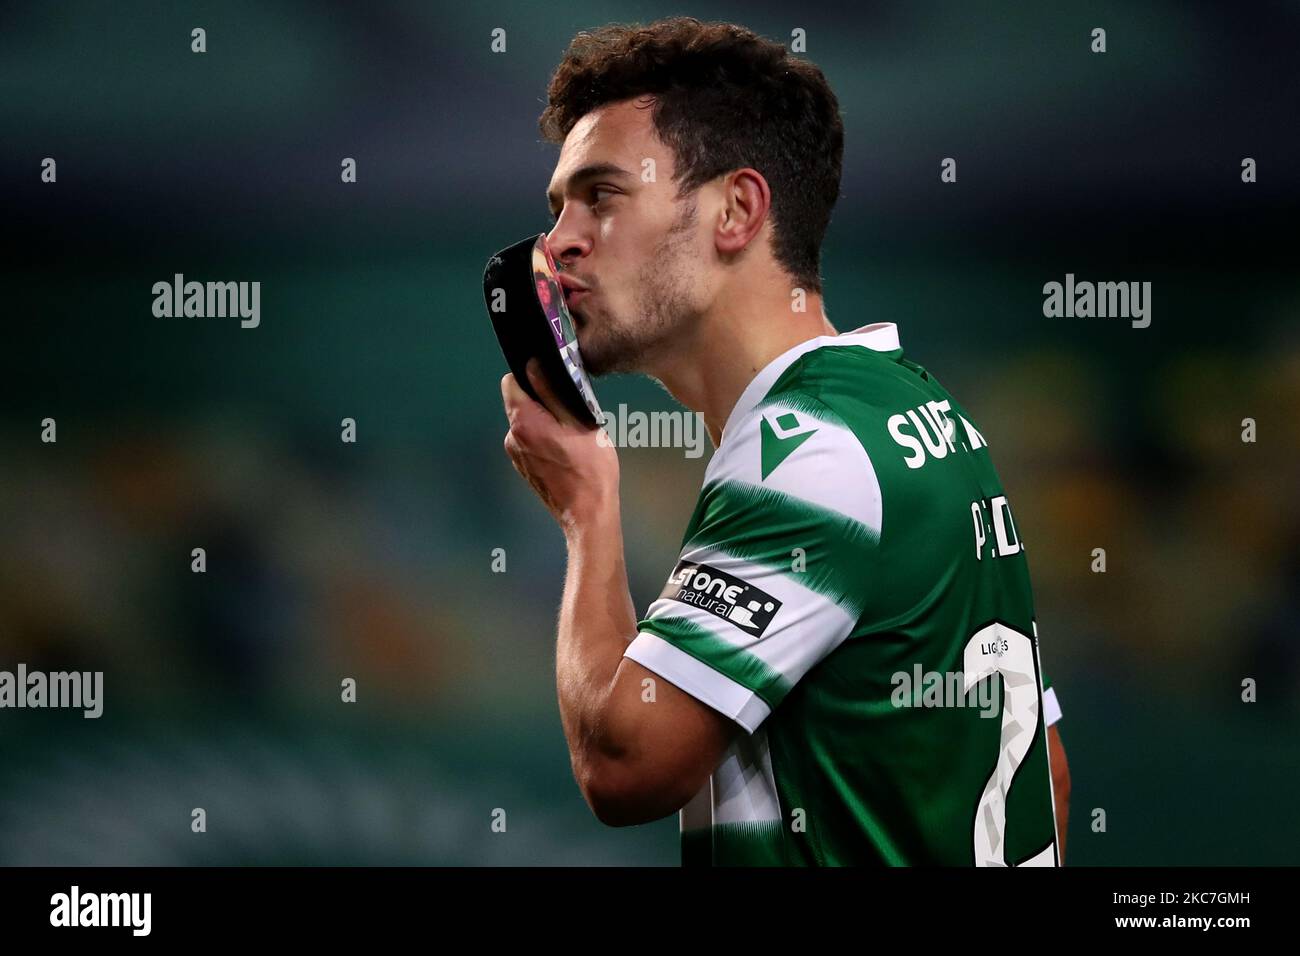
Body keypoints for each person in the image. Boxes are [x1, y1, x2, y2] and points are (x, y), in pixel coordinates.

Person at [500, 16, 1070, 865]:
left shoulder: (805, 452)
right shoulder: (917, 409)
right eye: (559, 208)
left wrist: (587, 511)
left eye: (603, 196)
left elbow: (624, 768)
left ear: (736, 210)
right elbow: (1046, 776)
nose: (559, 243)